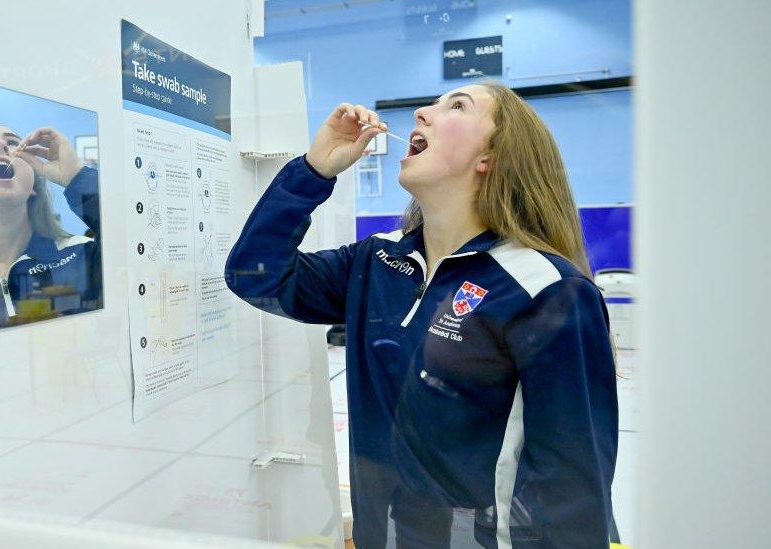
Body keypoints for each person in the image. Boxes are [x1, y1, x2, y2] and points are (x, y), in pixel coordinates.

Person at [225, 80, 617, 548]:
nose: (421, 114)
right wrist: (313, 173)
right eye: (430, 103)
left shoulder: (546, 290)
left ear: (490, 158)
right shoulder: (375, 262)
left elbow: (574, 484)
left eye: (455, 106)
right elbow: (256, 276)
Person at [0, 125, 102, 335]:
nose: (1, 144)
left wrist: (75, 176)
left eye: (13, 143)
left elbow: (139, 243)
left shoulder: (82, 254)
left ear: (33, 185)